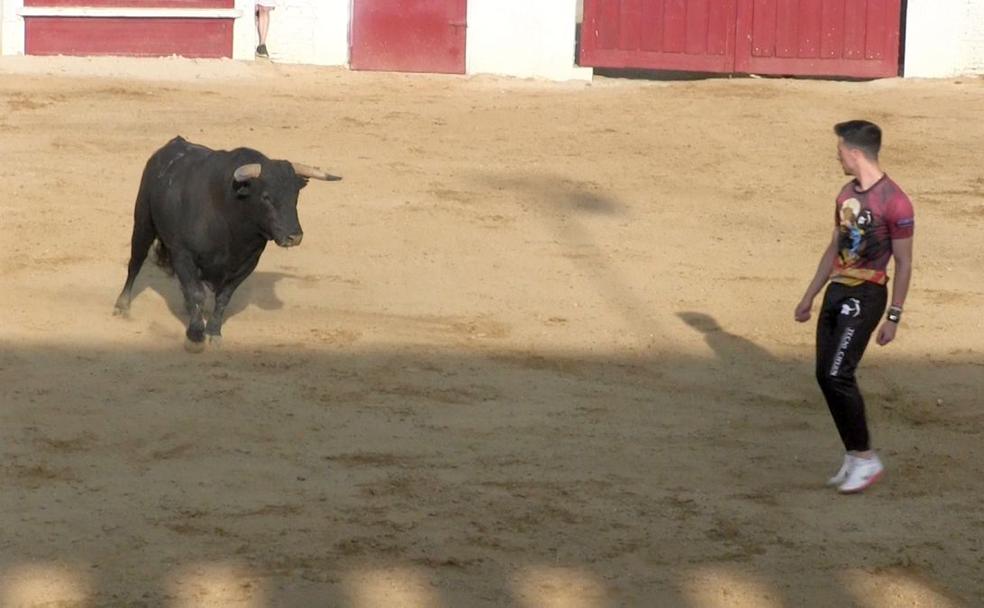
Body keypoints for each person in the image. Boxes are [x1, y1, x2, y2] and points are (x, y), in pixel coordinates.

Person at [794, 120, 914, 494]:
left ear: (856, 152)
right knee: (823, 375)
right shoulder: (845, 195)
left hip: (867, 294)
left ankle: (865, 457)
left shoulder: (895, 201)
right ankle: (853, 455)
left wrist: (894, 315)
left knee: (837, 374)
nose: (837, 156)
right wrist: (810, 294)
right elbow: (834, 248)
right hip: (836, 292)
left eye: (841, 150)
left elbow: (904, 263)